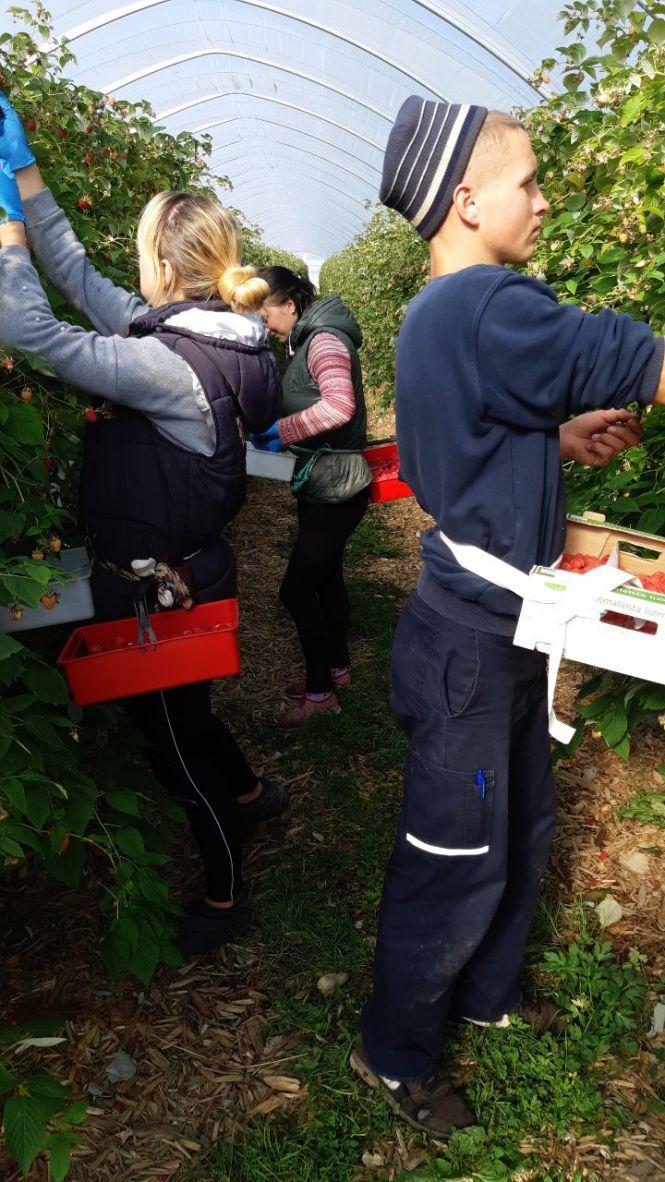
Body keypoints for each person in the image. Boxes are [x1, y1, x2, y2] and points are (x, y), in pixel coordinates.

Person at [351, 98, 661, 1135]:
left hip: (487, 628)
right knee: (452, 849)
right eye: (526, 181)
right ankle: (393, 1053)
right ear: (464, 197)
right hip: (472, 647)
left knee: (518, 816)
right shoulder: (489, 301)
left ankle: (481, 997)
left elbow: (473, 430)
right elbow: (639, 357)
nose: (541, 198)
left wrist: (554, 440)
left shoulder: (438, 309)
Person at [0, 93, 288, 956]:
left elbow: (26, 324)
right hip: (189, 571)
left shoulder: (165, 365)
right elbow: (80, 276)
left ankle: (228, 893)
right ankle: (249, 795)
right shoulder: (212, 334)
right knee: (189, 717)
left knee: (168, 745)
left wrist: (5, 226)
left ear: (162, 268)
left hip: (157, 593)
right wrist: (26, 170)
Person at [255, 267, 372, 726]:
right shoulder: (310, 338)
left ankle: (320, 694)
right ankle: (337, 668)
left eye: (265, 314)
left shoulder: (322, 340)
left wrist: (282, 431)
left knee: (296, 589)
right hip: (329, 481)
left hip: (335, 487)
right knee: (326, 579)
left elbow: (338, 406)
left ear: (289, 304)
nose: (264, 325)